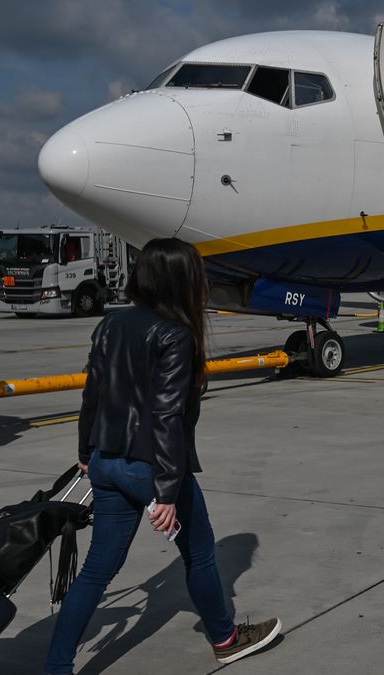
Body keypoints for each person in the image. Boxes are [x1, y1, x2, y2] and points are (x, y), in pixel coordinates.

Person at [45, 239, 281, 674]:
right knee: (200, 553)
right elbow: (167, 417)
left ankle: (56, 667)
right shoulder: (175, 334)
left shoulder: (110, 325)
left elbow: (92, 394)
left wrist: (86, 453)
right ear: (182, 280)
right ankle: (226, 639)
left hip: (105, 460)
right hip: (149, 467)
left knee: (98, 570)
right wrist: (167, 491)